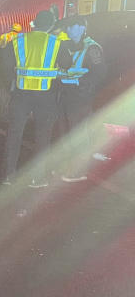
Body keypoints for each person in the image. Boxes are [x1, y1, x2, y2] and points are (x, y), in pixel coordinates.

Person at [0, 9, 73, 187]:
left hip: (21, 94)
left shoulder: (18, 41)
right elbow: (67, 64)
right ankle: (37, 178)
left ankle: (8, 176)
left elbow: (6, 65)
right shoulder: (56, 43)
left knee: (14, 134)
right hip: (46, 95)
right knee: (43, 136)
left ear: (35, 23)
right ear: (51, 24)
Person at [55, 16, 106, 182]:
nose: (69, 30)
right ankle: (66, 166)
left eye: (73, 27)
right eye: (68, 27)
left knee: (78, 134)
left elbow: (99, 73)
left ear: (83, 28)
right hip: (66, 93)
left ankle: (78, 171)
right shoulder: (68, 45)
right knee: (66, 133)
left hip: (81, 95)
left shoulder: (92, 48)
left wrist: (79, 81)